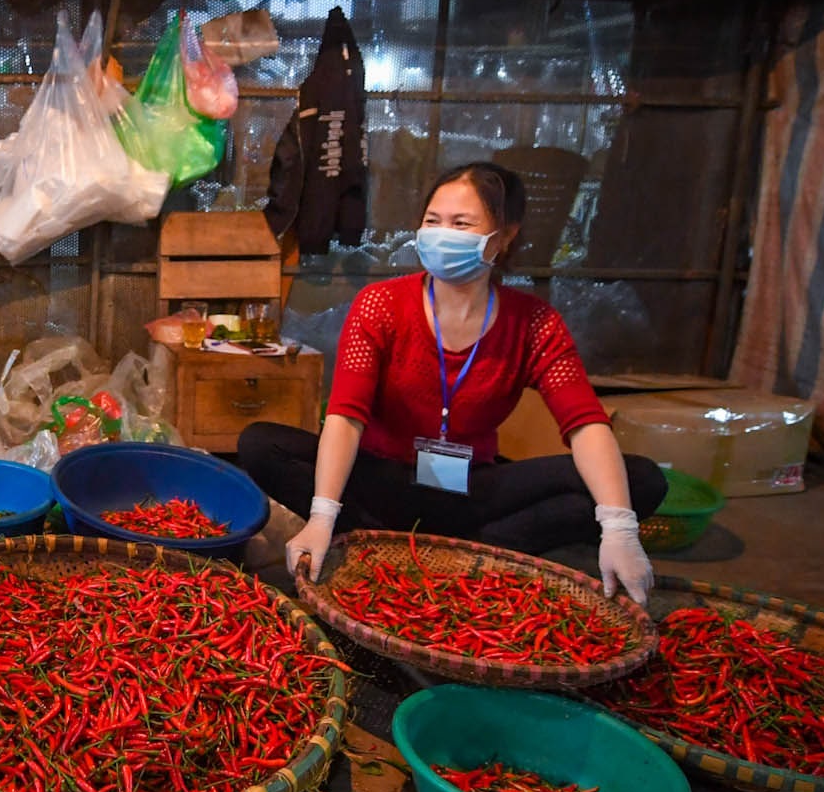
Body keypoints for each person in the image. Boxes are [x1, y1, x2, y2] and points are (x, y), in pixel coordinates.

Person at [236, 161, 665, 603]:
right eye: (432, 221)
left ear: (504, 235)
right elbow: (345, 416)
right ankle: (462, 551)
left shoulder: (535, 324)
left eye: (462, 224)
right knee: (260, 444)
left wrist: (619, 527)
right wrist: (322, 515)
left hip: (471, 487)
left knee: (641, 480)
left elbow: (585, 423)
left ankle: (418, 547)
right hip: (382, 479)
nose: (443, 234)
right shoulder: (380, 306)